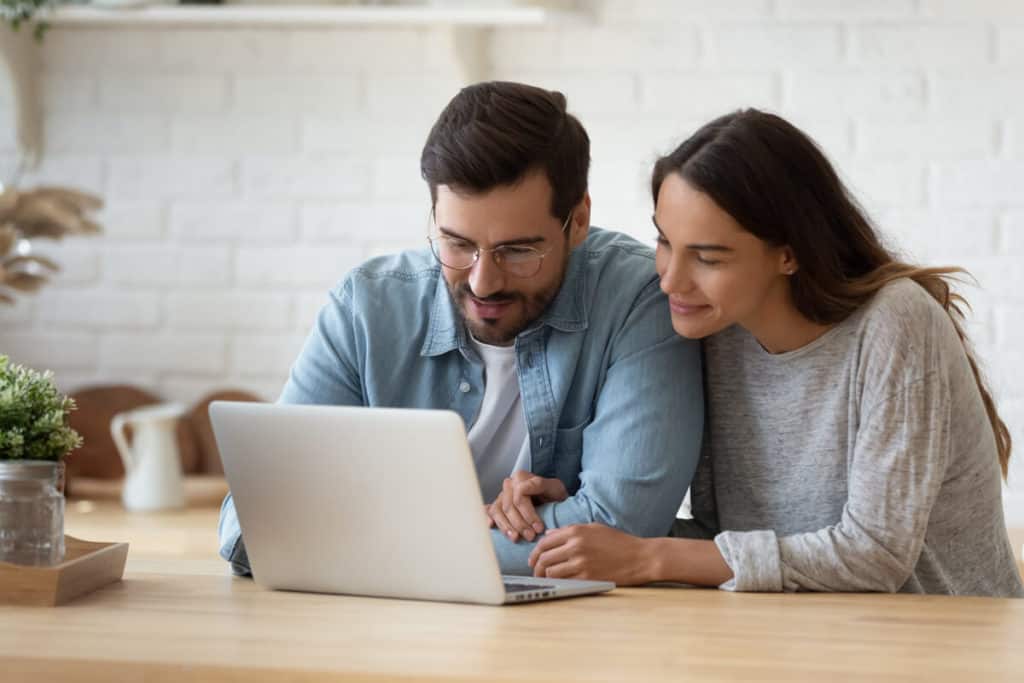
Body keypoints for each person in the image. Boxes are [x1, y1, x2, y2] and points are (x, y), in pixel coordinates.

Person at [524, 109, 1024, 597]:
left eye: (708, 256)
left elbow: (875, 554)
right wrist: (588, 530)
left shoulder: (895, 323)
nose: (670, 279)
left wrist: (650, 557)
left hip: (947, 646)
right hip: (803, 638)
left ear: (789, 253)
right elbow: (736, 547)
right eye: (664, 241)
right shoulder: (717, 331)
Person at [217, 82, 704, 577]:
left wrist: (367, 539)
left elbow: (623, 528)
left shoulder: (638, 300)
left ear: (577, 221)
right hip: (381, 629)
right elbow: (251, 526)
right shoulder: (365, 308)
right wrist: (462, 533)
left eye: (517, 251)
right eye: (456, 244)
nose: (483, 282)